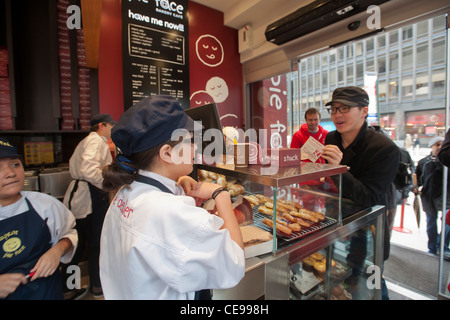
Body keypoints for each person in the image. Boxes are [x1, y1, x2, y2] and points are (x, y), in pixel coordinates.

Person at [99, 95, 245, 300]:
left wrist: (176, 182)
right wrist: (220, 195)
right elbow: (234, 263)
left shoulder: (126, 192)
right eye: (190, 140)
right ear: (167, 153)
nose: (195, 147)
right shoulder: (169, 212)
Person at [321, 86, 400, 300]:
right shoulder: (331, 138)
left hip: (368, 225)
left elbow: (370, 197)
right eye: (334, 109)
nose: (337, 114)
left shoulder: (385, 148)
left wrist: (339, 170)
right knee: (334, 273)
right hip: (335, 219)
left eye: (344, 108)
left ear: (364, 111)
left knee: (369, 280)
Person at [0, 139, 77, 299]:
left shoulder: (45, 204)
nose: (11, 173)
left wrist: (58, 250)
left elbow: (70, 234)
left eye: (15, 164)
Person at [62, 114, 116, 298]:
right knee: (86, 245)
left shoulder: (93, 140)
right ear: (102, 125)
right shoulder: (96, 141)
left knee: (88, 244)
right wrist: (107, 184)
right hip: (87, 197)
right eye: (111, 126)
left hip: (87, 197)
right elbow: (88, 169)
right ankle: (79, 287)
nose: (112, 129)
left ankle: (79, 287)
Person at [415, 135, 450, 257]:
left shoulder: (446, 161)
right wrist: (417, 188)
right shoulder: (424, 162)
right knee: (431, 224)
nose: (439, 147)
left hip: (446, 197)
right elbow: (418, 179)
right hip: (429, 198)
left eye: (442, 144)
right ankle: (432, 247)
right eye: (437, 144)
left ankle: (443, 246)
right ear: (431, 146)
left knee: (446, 224)